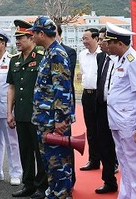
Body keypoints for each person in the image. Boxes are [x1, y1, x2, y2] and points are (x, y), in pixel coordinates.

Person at [28, 16, 75, 199]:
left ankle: (61, 195)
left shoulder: (57, 53)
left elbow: (62, 88)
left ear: (42, 34)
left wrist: (60, 120)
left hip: (53, 122)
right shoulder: (49, 52)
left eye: (34, 32)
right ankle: (54, 193)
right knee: (50, 163)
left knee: (59, 164)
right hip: (44, 119)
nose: (32, 36)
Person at [6, 19, 48, 199]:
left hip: (38, 115)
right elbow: (12, 87)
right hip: (22, 113)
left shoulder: (41, 58)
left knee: (40, 152)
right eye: (16, 38)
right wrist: (9, 112)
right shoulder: (14, 61)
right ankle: (28, 184)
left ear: (31, 38)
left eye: (20, 37)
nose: (17, 41)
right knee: (25, 151)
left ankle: (42, 186)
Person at [104, 22, 136, 199]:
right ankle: (126, 194)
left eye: (110, 42)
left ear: (120, 44)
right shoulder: (120, 60)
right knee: (123, 159)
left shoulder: (133, 61)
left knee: (133, 162)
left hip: (129, 120)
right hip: (117, 119)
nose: (107, 46)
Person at [0, 26, 22, 186]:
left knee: (12, 142)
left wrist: (12, 110)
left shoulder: (13, 60)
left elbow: (13, 87)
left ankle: (16, 173)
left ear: (4, 43)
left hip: (7, 109)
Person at [93, 27, 118, 194]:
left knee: (123, 149)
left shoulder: (122, 59)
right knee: (104, 146)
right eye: (100, 39)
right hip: (102, 108)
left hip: (118, 110)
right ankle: (109, 181)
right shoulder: (101, 57)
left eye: (103, 40)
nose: (100, 42)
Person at [56, 24, 77, 187]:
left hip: (63, 105)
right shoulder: (46, 53)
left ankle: (71, 179)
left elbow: (65, 81)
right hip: (49, 109)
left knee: (65, 143)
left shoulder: (68, 51)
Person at [78, 28, 102, 171]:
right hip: (87, 95)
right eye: (83, 39)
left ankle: (111, 162)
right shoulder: (82, 55)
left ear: (96, 39)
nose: (84, 41)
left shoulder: (104, 55)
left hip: (100, 95)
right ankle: (93, 160)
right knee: (91, 130)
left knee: (103, 130)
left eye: (87, 38)